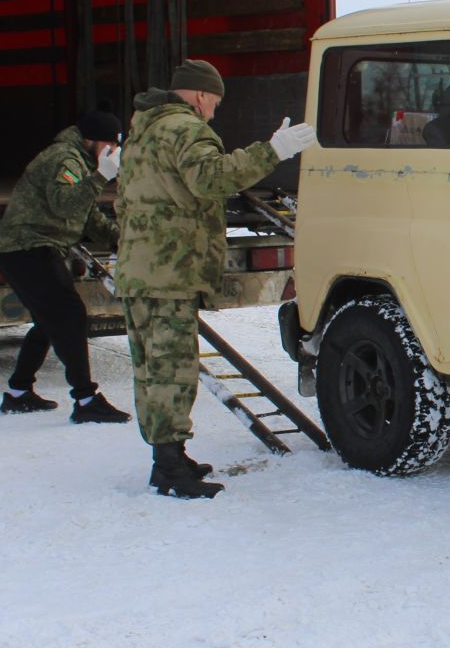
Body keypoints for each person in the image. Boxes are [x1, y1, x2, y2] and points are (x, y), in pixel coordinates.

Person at [115, 59, 317, 498]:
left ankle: (167, 455)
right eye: (216, 102)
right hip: (169, 272)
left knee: (151, 366)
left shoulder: (143, 131)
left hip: (140, 269)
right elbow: (211, 179)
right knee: (172, 369)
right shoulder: (186, 129)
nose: (214, 112)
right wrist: (273, 151)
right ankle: (169, 470)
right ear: (202, 95)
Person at [0, 111, 134, 424]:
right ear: (92, 140)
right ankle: (85, 399)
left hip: (27, 248)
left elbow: (86, 215)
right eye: (110, 145)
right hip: (27, 247)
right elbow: (64, 205)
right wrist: (100, 178)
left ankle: (18, 393)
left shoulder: (80, 160)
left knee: (49, 321)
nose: (113, 152)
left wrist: (123, 240)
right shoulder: (64, 158)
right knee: (70, 315)